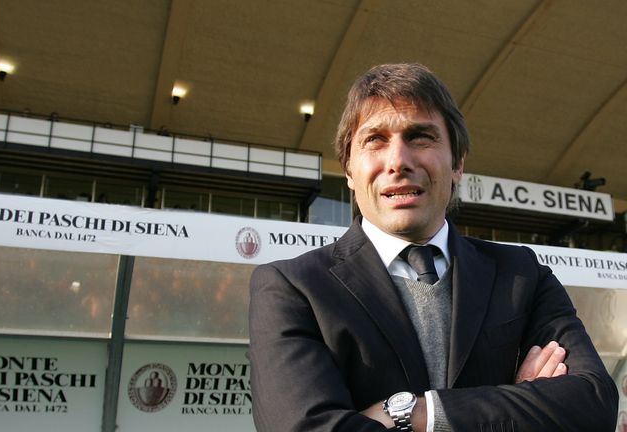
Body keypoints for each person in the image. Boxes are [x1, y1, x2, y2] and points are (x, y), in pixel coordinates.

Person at [248, 63, 618, 431]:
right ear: (348, 170)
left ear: (457, 163)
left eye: (420, 137)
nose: (398, 162)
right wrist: (514, 406)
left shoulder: (521, 274)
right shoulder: (293, 288)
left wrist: (417, 413)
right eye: (375, 140)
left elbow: (593, 402)